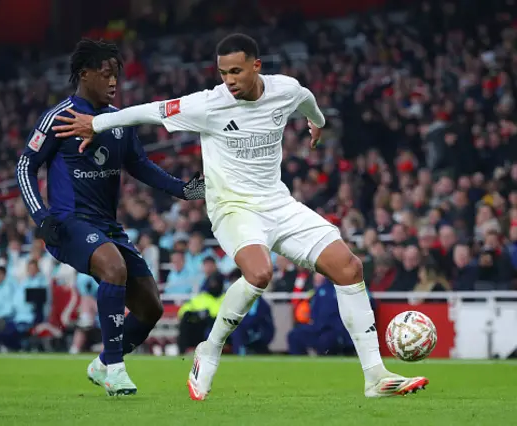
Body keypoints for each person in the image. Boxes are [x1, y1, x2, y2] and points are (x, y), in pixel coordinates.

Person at [51, 33, 428, 400]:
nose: (228, 80)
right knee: (260, 272)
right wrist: (96, 124)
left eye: (236, 71)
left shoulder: (284, 89)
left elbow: (308, 99)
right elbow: (150, 111)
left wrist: (318, 122)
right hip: (233, 208)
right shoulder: (208, 104)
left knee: (349, 267)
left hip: (278, 203)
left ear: (256, 66)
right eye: (223, 73)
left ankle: (375, 376)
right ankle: (209, 350)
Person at [16, 38, 205, 396]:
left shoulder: (119, 121)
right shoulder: (60, 117)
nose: (114, 81)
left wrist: (185, 190)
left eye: (117, 74)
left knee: (150, 308)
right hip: (69, 222)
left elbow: (141, 166)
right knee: (113, 268)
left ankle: (103, 362)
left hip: (107, 227)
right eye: (106, 74)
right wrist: (41, 217)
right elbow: (26, 165)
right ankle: (116, 370)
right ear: (85, 74)